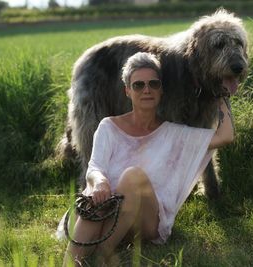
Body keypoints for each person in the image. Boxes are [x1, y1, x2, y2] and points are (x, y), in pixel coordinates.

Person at [60, 52, 234, 266]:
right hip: (108, 208)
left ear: (161, 90)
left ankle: (103, 252)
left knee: (132, 176)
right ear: (127, 91)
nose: (147, 90)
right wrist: (99, 182)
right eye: (138, 85)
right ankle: (71, 262)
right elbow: (95, 167)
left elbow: (225, 136)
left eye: (153, 84)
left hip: (146, 219)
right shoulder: (108, 127)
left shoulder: (174, 134)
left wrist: (221, 95)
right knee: (92, 195)